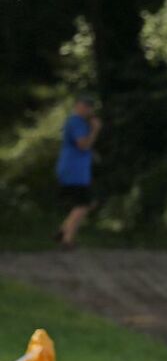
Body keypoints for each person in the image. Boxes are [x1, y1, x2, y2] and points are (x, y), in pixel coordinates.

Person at [55, 94, 101, 250]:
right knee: (83, 203)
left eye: (89, 106)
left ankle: (63, 231)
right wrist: (95, 130)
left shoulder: (77, 122)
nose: (88, 109)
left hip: (77, 170)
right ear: (77, 106)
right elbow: (82, 144)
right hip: (74, 171)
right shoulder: (77, 122)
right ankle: (67, 240)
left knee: (87, 202)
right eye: (84, 105)